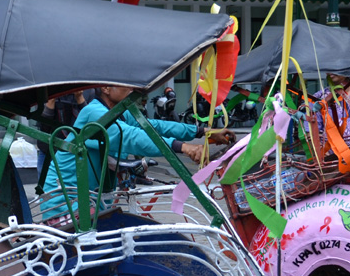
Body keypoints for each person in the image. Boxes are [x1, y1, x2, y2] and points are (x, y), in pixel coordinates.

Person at [40, 84, 232, 221]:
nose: (131, 89)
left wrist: (203, 132)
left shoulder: (119, 112)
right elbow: (132, 136)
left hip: (91, 198)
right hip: (65, 201)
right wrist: (182, 147)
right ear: (106, 89)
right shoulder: (95, 112)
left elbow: (153, 126)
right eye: (125, 85)